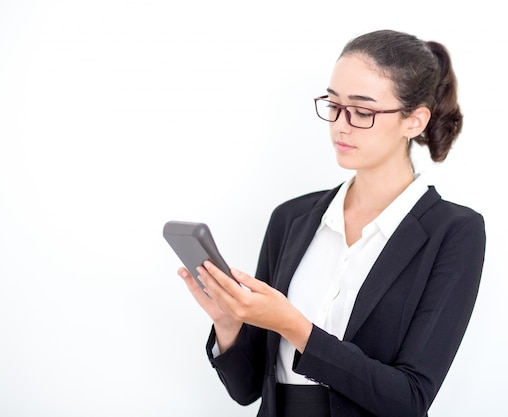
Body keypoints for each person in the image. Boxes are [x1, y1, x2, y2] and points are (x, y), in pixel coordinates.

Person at [178, 29, 486, 417]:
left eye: (362, 111)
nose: (340, 124)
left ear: (414, 120)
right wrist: (227, 322)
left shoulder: (454, 232)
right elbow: (247, 390)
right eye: (333, 104)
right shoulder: (292, 219)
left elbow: (409, 399)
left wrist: (295, 327)